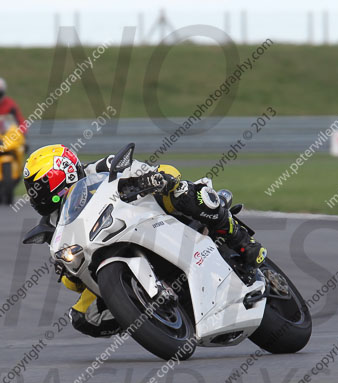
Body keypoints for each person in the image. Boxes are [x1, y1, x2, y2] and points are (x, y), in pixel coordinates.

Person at [22, 144, 267, 338]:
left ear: (63, 173)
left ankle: (240, 239)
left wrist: (153, 177)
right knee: (83, 317)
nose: (36, 193)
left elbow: (147, 168)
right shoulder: (53, 224)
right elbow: (73, 281)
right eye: (32, 187)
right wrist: (68, 270)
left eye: (41, 184)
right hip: (107, 250)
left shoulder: (98, 169)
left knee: (179, 190)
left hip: (145, 215)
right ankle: (145, 315)